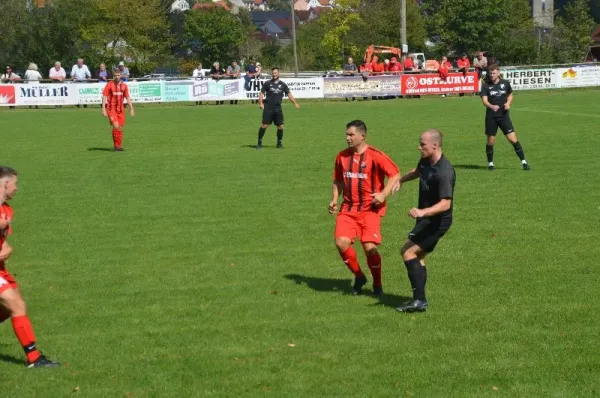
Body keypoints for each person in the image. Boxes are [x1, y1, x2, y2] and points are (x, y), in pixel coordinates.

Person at [329, 120, 401, 296]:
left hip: (370, 209)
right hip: (348, 208)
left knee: (370, 248)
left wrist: (383, 194)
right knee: (341, 242)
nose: (348, 138)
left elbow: (395, 174)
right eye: (347, 134)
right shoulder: (342, 156)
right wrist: (334, 199)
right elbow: (338, 180)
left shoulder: (375, 155)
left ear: (362, 136)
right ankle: (359, 276)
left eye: (351, 135)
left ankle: (377, 284)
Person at [0, 166, 60, 368]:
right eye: (15, 183)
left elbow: (3, 243)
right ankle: (34, 359)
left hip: (1, 269)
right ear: (5, 183)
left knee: (8, 309)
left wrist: (6, 248)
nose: (17, 188)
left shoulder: (6, 210)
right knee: (16, 305)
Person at [395, 129, 455, 313]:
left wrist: (422, 212)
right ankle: (419, 300)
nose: (419, 147)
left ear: (435, 145)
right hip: (427, 218)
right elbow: (417, 171)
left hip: (437, 221)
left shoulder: (445, 171)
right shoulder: (426, 161)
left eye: (422, 144)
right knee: (417, 256)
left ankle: (419, 301)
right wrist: (401, 180)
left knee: (408, 252)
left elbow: (446, 204)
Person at [480, 64, 530, 171]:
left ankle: (524, 162)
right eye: (490, 73)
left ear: (498, 72)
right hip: (491, 117)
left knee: (512, 139)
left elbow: (510, 95)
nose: (492, 75)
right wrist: (491, 106)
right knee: (491, 141)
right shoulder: (485, 85)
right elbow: (484, 101)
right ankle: (490, 164)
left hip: (503, 116)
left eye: (493, 73)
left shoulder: (505, 83)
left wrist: (508, 104)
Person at [256, 67, 300, 149]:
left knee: (281, 126)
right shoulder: (267, 83)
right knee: (264, 125)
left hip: (277, 109)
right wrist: (260, 103)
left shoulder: (283, 85)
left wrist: (295, 103)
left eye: (275, 73)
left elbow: (289, 94)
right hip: (268, 108)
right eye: (273, 73)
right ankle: (259, 142)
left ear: (278, 73)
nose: (274, 74)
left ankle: (279, 143)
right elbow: (261, 94)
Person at [102, 70, 135, 151]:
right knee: (116, 126)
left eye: (118, 75)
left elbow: (127, 97)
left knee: (120, 128)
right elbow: (104, 96)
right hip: (111, 109)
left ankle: (118, 146)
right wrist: (103, 109)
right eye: (115, 75)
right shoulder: (109, 84)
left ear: (121, 75)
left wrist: (131, 108)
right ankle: (117, 147)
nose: (117, 77)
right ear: (113, 76)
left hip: (121, 110)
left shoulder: (124, 86)